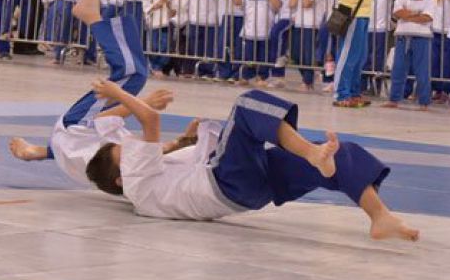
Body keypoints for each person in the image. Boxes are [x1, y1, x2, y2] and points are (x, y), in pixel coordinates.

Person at [84, 81, 419, 242]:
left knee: (339, 153)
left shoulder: (147, 185)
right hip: (225, 181)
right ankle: (310, 153)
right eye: (124, 151)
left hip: (248, 192)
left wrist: (187, 140)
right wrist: (118, 93)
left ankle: (380, 216)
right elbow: (150, 120)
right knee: (247, 106)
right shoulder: (136, 185)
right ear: (119, 180)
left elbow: (174, 164)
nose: (133, 146)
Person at [8, 0, 173, 185]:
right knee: (102, 138)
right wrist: (181, 142)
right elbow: (163, 149)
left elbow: (107, 119)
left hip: (76, 127)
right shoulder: (129, 173)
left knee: (132, 75)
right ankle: (40, 151)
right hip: (68, 146)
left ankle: (91, 17)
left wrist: (140, 102)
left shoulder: (113, 165)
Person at [334, 0, 394, 108]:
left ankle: (353, 92)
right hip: (353, 13)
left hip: (362, 13)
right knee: (348, 56)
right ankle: (341, 94)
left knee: (359, 56)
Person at [383, 0, 436, 110]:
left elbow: (427, 17)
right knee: (398, 68)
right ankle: (394, 99)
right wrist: (415, 13)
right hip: (402, 36)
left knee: (422, 71)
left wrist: (407, 15)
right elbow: (397, 12)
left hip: (422, 37)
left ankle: (424, 101)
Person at [174, 0, 220, 79]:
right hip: (194, 18)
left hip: (209, 19)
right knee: (193, 46)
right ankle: (192, 70)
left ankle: (208, 72)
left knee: (208, 47)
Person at [236, 0, 278, 86]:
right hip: (250, 29)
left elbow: (276, 6)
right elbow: (237, 1)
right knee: (249, 55)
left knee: (263, 56)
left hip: (265, 29)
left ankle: (262, 77)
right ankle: (247, 76)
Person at [289, 0, 328, 91]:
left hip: (312, 25)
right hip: (299, 23)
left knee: (307, 55)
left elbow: (306, 4)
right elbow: (292, 4)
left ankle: (307, 81)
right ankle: (308, 76)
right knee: (295, 54)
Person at [362, 0, 397, 97]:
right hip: (366, 26)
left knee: (378, 59)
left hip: (381, 28)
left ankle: (375, 87)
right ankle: (362, 85)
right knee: (364, 58)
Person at [267, 0, 302, 88]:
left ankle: (278, 73)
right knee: (280, 42)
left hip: (292, 15)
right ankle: (279, 75)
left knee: (276, 34)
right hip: (281, 14)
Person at [143, 0, 177, 77]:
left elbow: (174, 11)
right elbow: (145, 7)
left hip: (165, 23)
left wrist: (168, 3)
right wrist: (156, 5)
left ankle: (159, 66)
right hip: (153, 24)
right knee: (153, 46)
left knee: (165, 47)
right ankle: (153, 66)